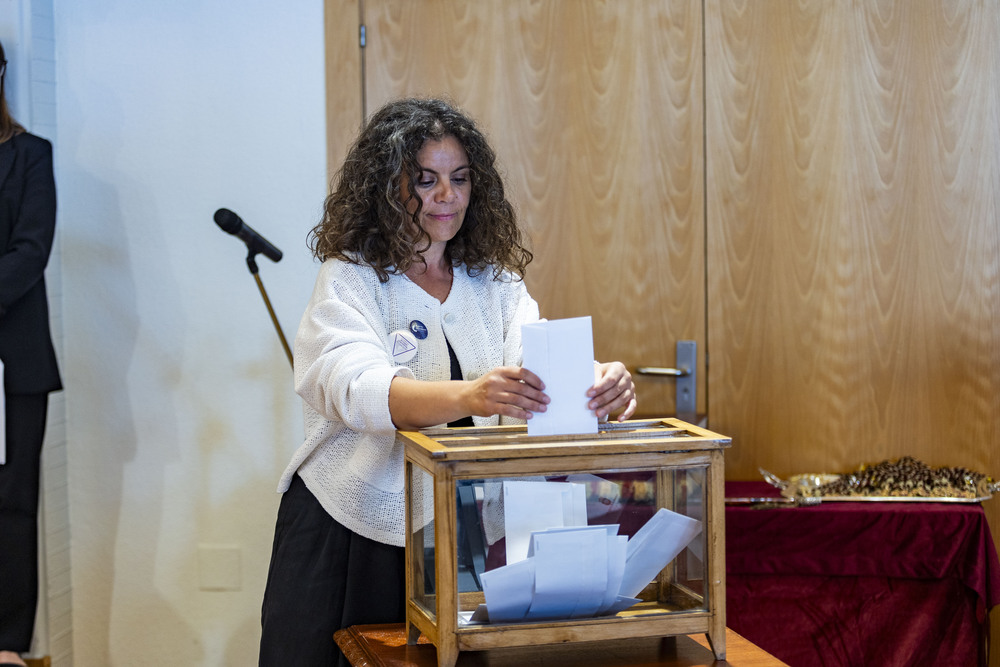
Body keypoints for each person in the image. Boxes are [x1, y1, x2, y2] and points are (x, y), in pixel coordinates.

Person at [258, 97, 636, 666]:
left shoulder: (495, 282)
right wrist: (472, 394)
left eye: (459, 179)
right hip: (348, 528)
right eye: (426, 180)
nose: (446, 196)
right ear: (387, 187)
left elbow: (533, 364)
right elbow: (351, 387)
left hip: (455, 526)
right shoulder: (352, 277)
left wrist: (597, 382)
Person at [0, 41, 62, 667]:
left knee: (11, 502)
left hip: (11, 363)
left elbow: (29, 249)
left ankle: (8, 643)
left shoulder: (28, 156)